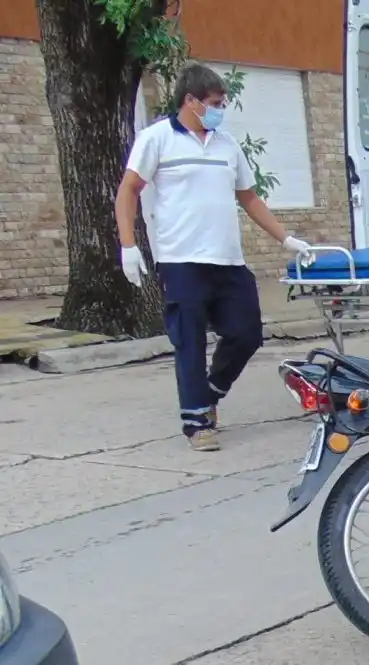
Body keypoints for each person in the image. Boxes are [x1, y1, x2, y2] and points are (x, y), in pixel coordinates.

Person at [115, 63, 314, 452]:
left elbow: (249, 197)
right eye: (215, 103)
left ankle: (210, 390)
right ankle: (197, 423)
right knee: (189, 340)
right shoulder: (156, 139)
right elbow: (129, 190)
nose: (221, 109)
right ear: (191, 101)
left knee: (246, 333)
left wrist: (285, 238)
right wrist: (128, 245)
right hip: (181, 258)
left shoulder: (227, 145)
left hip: (228, 259)